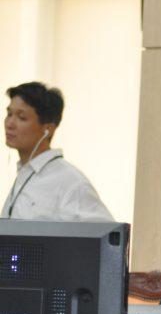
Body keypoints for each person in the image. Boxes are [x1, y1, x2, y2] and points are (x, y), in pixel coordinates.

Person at [2, 81, 112, 221]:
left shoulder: (70, 181)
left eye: (21, 117)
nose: (9, 124)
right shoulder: (25, 174)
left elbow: (105, 231)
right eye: (9, 114)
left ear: (48, 129)